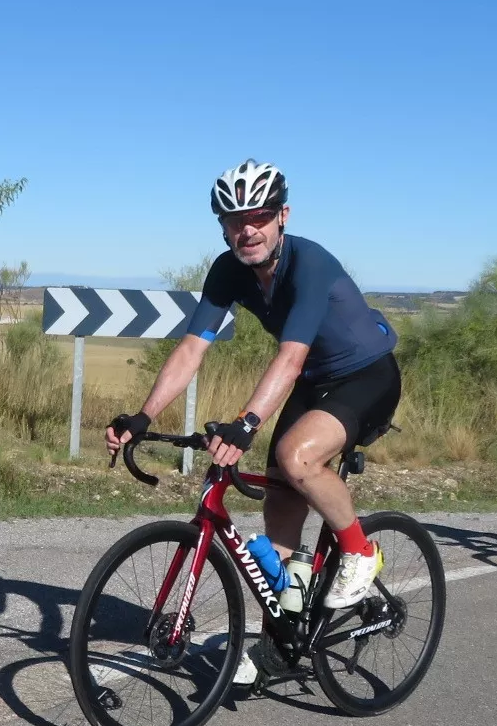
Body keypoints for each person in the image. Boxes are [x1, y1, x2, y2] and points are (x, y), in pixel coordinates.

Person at [104, 159, 402, 685]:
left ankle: (360, 552)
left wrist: (246, 423)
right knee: (280, 499)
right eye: (235, 219)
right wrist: (143, 416)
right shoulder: (228, 270)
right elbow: (192, 349)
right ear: (222, 225)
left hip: (367, 375)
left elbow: (290, 356)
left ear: (282, 215)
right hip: (314, 380)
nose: (248, 229)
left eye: (259, 216)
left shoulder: (309, 263)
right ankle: (279, 641)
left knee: (296, 457)